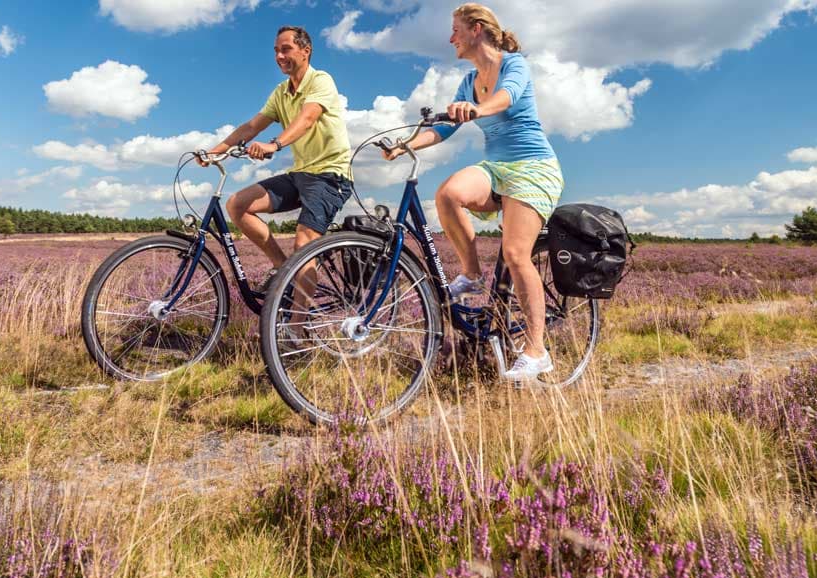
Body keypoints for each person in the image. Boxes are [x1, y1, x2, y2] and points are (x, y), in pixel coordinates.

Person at [382, 3, 564, 381]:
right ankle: (472, 274)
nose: (451, 38)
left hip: (533, 168)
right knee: (448, 194)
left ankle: (536, 351)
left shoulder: (513, 65)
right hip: (497, 170)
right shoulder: (468, 81)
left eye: (455, 30)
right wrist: (405, 145)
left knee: (516, 253)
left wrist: (476, 109)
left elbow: (507, 98)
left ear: (476, 29)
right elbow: (445, 129)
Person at [199, 25, 353, 286]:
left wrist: (275, 144)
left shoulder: (320, 80)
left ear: (306, 51)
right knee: (237, 205)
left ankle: (297, 325)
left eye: (286, 49)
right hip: (301, 173)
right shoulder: (281, 92)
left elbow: (307, 118)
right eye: (276, 51)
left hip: (330, 176)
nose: (279, 56)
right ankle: (284, 272)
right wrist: (214, 152)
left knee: (304, 244)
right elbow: (251, 127)